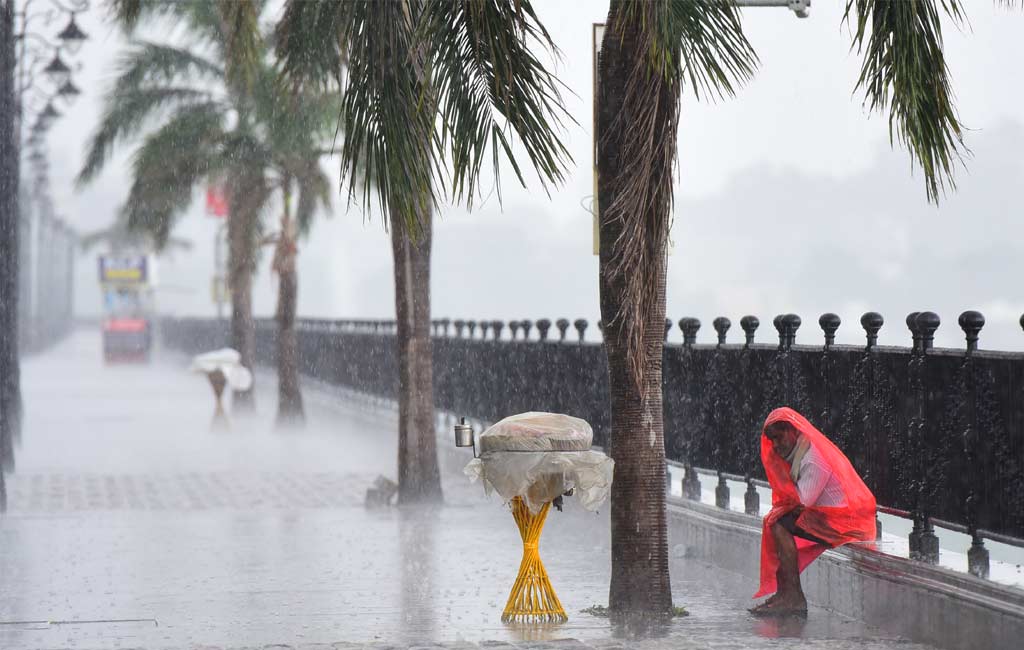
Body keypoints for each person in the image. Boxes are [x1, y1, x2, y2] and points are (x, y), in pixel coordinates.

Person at [749, 406, 877, 617]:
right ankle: (785, 593)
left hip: (846, 526)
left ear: (793, 431)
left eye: (780, 438)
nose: (777, 446)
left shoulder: (813, 459)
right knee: (777, 521)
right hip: (830, 520)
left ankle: (793, 596)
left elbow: (801, 502)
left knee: (780, 523)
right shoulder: (799, 453)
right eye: (772, 441)